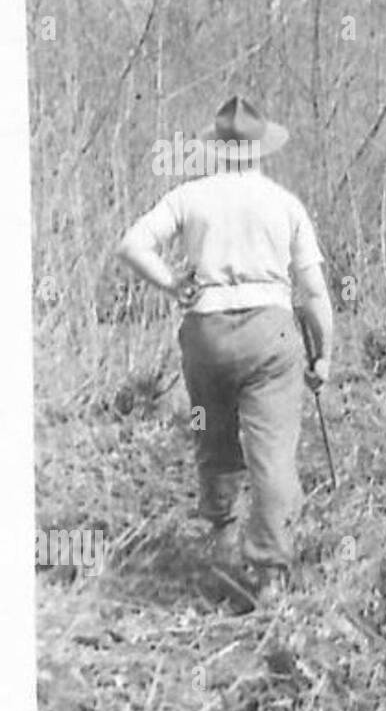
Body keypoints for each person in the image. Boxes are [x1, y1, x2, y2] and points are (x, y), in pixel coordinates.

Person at [116, 97, 334, 600]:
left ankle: (221, 541)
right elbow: (316, 294)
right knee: (273, 453)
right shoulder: (284, 203)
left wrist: (173, 284)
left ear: (216, 148)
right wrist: (324, 355)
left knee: (212, 437)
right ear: (260, 148)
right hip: (271, 336)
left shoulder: (190, 196)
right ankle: (270, 577)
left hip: (206, 334)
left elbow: (131, 245)